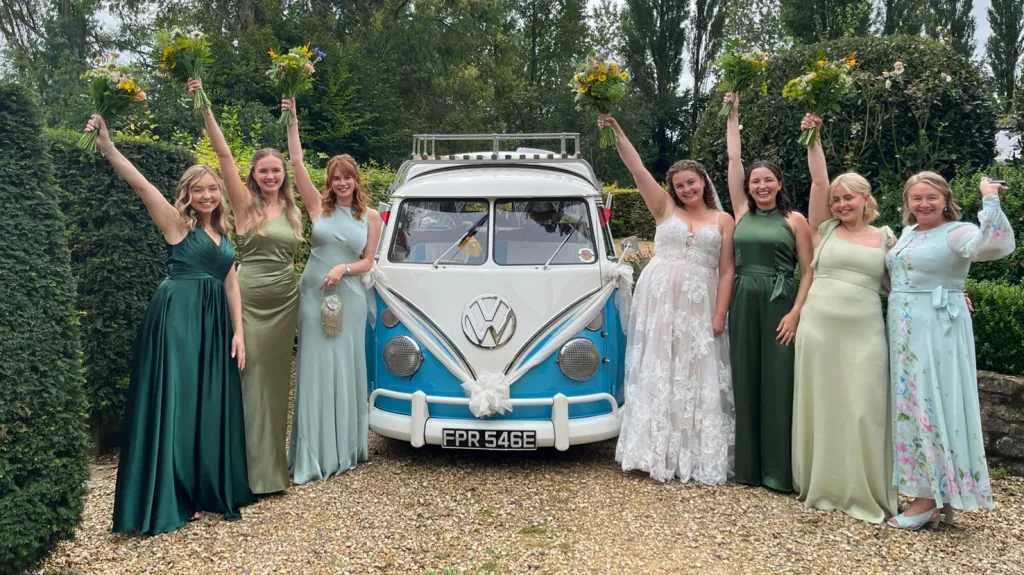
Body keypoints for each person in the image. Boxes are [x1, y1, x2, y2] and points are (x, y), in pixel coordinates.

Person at [85, 115, 254, 535]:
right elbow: (141, 185)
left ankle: (202, 488)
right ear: (187, 195)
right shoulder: (177, 224)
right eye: (199, 190)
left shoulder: (223, 230)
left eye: (213, 188)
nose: (208, 195)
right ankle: (173, 494)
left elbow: (230, 281)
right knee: (178, 403)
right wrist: (107, 147)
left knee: (204, 401)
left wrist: (239, 331)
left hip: (215, 324)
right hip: (177, 318)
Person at [599, 114, 736, 484]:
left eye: (691, 182)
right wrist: (617, 132)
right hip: (659, 300)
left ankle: (692, 454)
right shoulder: (664, 209)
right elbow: (638, 169)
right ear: (672, 189)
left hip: (701, 302)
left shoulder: (723, 220)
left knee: (695, 369)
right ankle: (653, 449)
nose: (686, 189)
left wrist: (720, 313)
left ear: (702, 181)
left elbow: (727, 270)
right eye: (679, 185)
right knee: (659, 365)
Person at [191, 79, 303, 495]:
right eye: (263, 170)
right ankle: (243, 476)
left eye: (276, 170)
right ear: (253, 175)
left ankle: (273, 472)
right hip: (250, 300)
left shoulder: (293, 210)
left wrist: (292, 119)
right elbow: (222, 155)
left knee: (275, 386)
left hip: (286, 301)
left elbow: (299, 157)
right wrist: (205, 106)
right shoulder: (243, 204)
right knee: (248, 381)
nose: (271, 175)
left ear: (282, 174)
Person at [885, 172, 1015, 529]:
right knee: (910, 405)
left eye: (931, 198)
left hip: (936, 329)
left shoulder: (956, 231)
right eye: (916, 198)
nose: (924, 204)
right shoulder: (909, 233)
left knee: (932, 403)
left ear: (945, 200)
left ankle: (927, 497)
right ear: (907, 203)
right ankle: (938, 496)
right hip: (903, 328)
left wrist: (990, 200)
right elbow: (897, 277)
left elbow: (992, 246)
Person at [790, 114, 898, 523]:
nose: (841, 204)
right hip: (820, 326)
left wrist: (949, 293)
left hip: (865, 330)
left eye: (848, 198)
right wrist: (813, 136)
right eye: (837, 199)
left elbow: (902, 283)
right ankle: (825, 484)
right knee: (823, 402)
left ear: (866, 200)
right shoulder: (825, 229)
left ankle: (862, 486)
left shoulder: (887, 237)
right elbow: (819, 180)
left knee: (863, 405)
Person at [283, 97, 383, 483]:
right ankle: (312, 453)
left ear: (357, 180)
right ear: (330, 182)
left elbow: (369, 261)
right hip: (313, 296)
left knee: (345, 367)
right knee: (313, 368)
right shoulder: (316, 209)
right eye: (335, 178)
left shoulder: (371, 217)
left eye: (348, 177)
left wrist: (344, 267)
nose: (342, 182)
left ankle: (345, 449)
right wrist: (292, 117)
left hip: (351, 298)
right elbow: (296, 164)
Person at [724, 92, 813, 492]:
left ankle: (778, 472)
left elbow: (809, 270)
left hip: (780, 300)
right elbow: (732, 162)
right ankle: (748, 469)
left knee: (778, 383)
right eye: (755, 180)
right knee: (745, 378)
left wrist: (795, 312)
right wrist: (733, 116)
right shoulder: (741, 212)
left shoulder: (795, 220)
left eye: (768, 179)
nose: (761, 185)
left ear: (779, 183)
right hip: (743, 297)